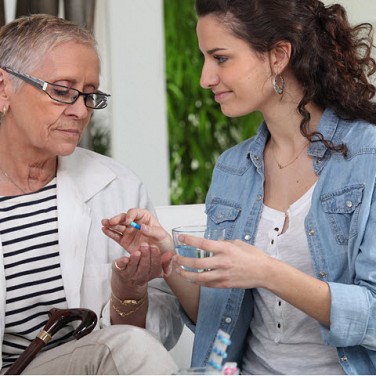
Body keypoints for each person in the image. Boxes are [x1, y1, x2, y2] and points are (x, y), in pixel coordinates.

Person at [102, 0, 376, 374]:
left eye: (220, 58)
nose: (205, 78)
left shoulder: (368, 157)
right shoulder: (233, 168)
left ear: (278, 55)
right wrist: (167, 256)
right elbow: (216, 316)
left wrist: (268, 272)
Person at [0, 14, 181, 375]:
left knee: (130, 347)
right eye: (62, 91)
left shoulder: (118, 187)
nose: (81, 111)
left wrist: (128, 292)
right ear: (4, 89)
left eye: (89, 95)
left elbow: (149, 341)